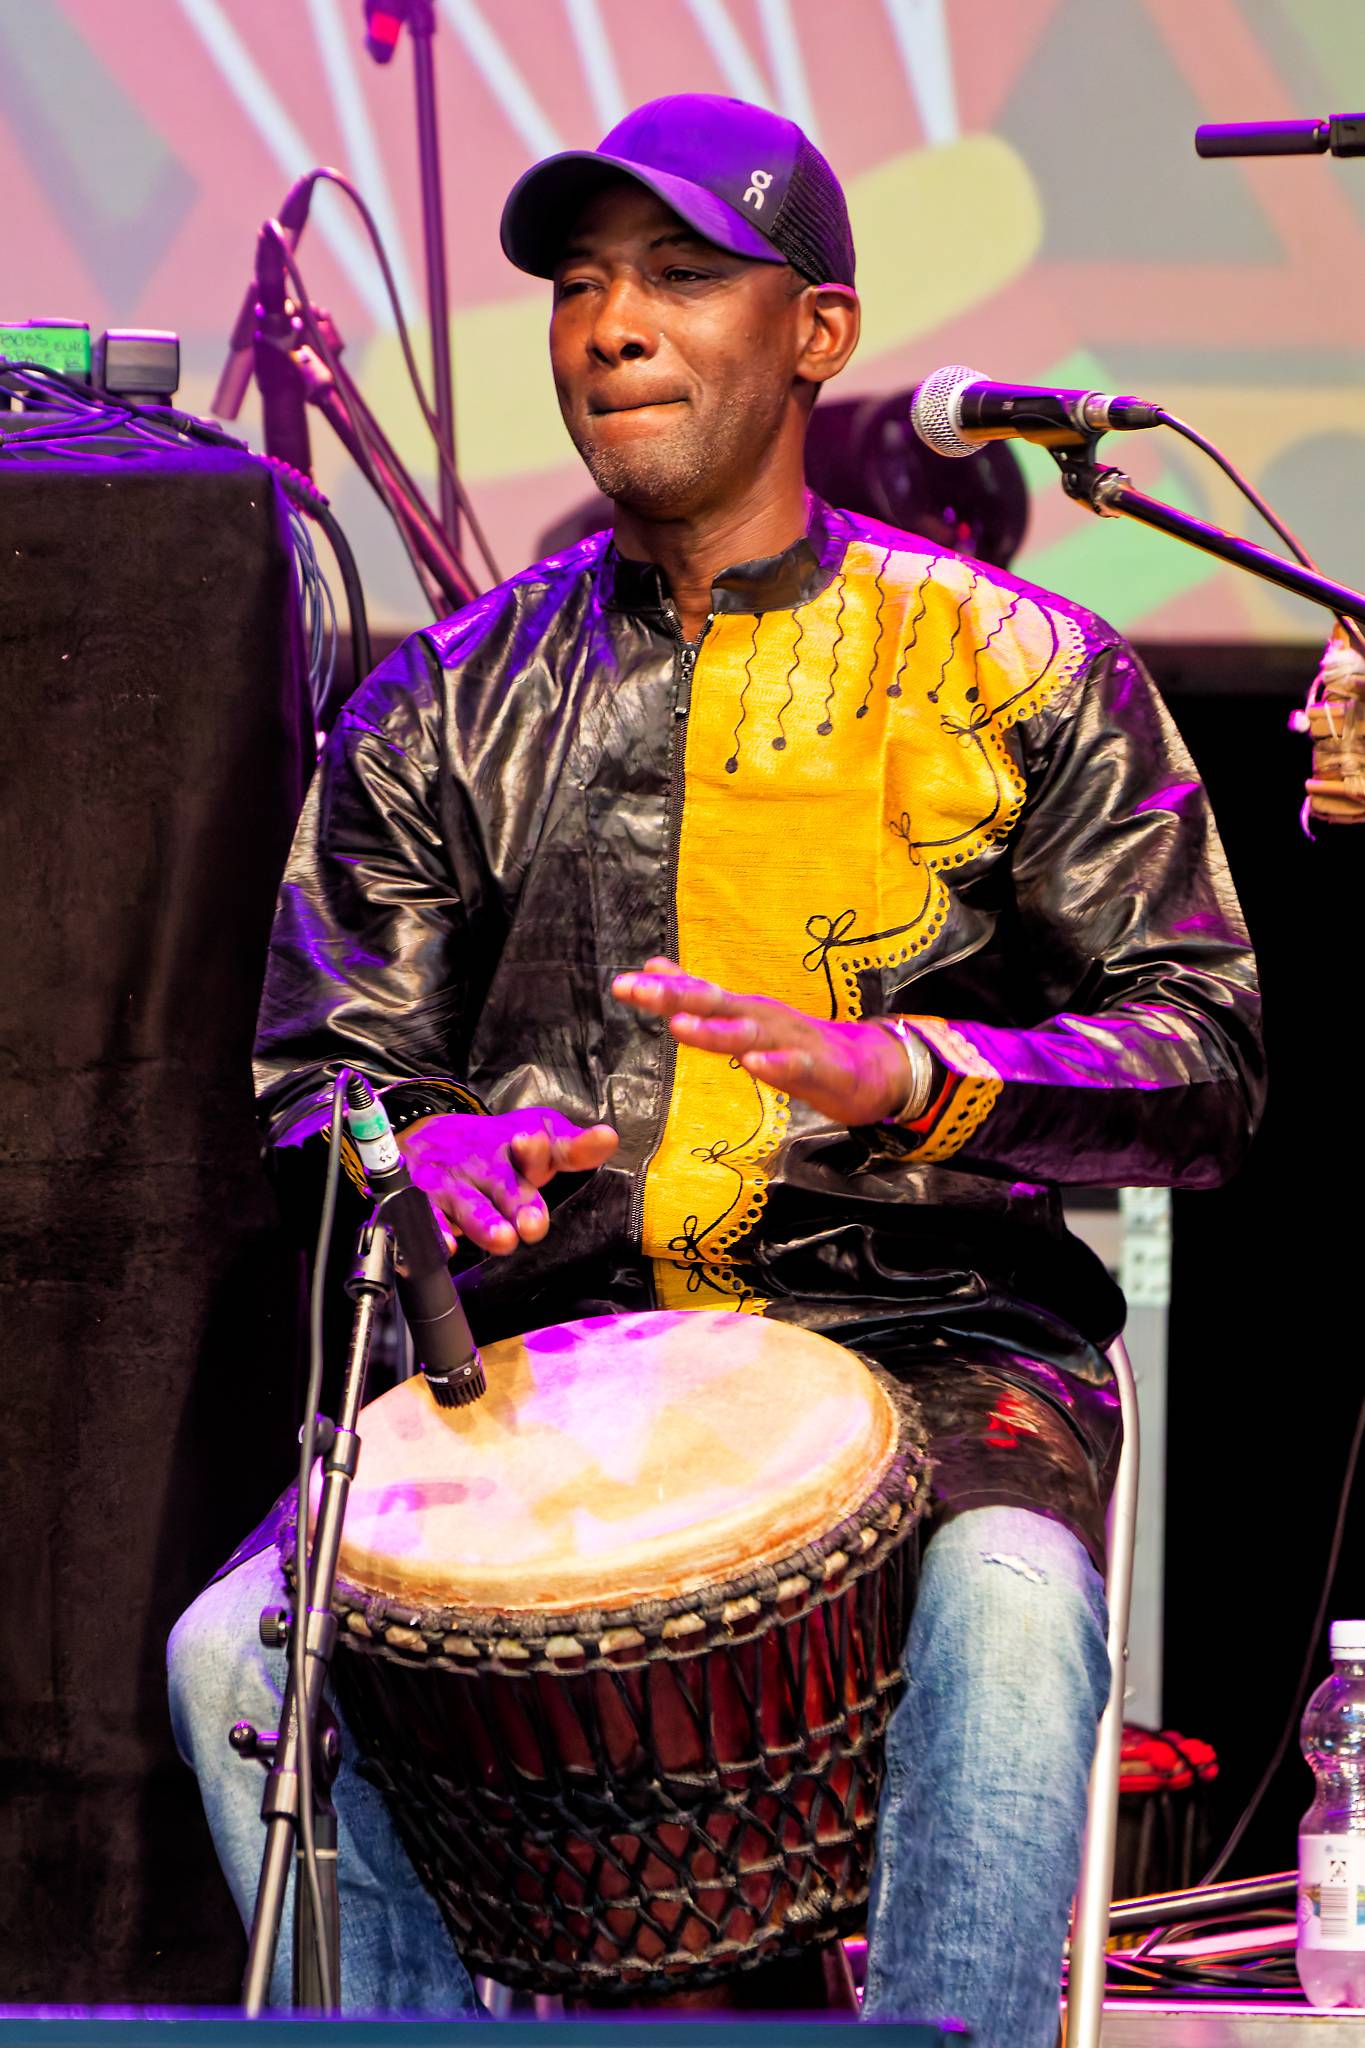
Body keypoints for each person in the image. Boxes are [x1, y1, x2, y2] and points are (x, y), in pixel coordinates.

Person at [168, 94, 1263, 2044]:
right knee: (230, 1661)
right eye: (580, 286)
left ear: (817, 331)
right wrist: (417, 1150)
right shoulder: (440, 701)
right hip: (537, 1369)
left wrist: (903, 1069)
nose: (611, 325)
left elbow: (1200, 1055)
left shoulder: (1019, 663)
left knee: (1012, 1613)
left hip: (932, 1349)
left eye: (679, 275)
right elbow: (325, 1068)